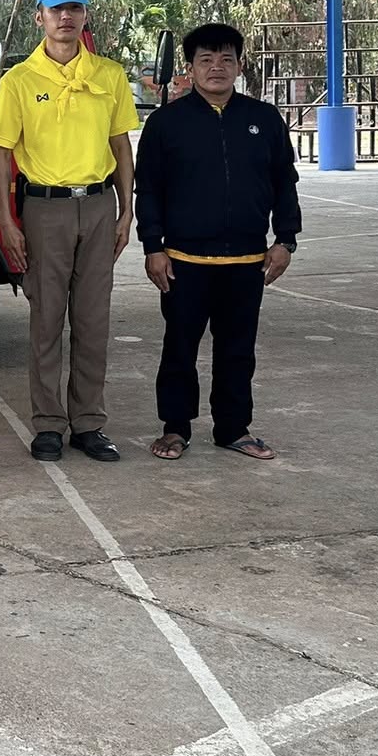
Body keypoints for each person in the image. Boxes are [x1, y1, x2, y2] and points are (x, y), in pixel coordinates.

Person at [0, 0, 140, 464]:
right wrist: (7, 221)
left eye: (74, 8)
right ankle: (49, 424)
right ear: (40, 18)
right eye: (56, 9)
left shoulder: (109, 75)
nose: (65, 17)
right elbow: (1, 153)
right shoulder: (19, 80)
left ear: (85, 15)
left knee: (93, 320)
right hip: (44, 209)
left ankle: (89, 423)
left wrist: (126, 211)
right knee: (47, 319)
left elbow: (121, 146)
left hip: (97, 205)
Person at [135, 23, 302, 461]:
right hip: (183, 261)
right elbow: (148, 189)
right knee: (179, 349)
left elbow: (284, 182)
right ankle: (175, 429)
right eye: (206, 60)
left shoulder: (264, 119)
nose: (216, 68)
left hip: (247, 260)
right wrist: (152, 246)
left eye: (226, 59)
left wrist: (286, 240)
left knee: (238, 350)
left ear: (239, 66)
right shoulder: (166, 123)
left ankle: (233, 428)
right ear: (190, 68)